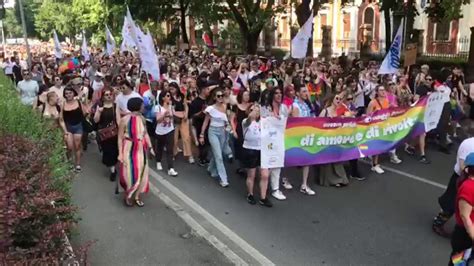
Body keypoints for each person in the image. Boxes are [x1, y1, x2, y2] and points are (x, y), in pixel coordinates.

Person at [433, 137, 474, 237]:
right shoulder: (468, 144)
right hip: (462, 179)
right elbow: (463, 167)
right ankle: (438, 223)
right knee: (450, 204)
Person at [118, 97, 155, 207]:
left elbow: (145, 134)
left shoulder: (142, 119)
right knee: (129, 172)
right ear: (138, 106)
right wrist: (120, 153)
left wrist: (151, 147)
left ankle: (137, 195)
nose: (144, 106)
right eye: (142, 105)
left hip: (140, 148)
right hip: (128, 148)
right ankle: (129, 195)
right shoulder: (125, 120)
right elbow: (120, 138)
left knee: (142, 171)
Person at [316, 93, 350, 187]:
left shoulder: (338, 112)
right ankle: (329, 180)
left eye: (340, 99)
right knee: (327, 161)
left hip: (336, 139)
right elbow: (317, 124)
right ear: (332, 100)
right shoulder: (325, 111)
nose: (338, 100)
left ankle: (340, 178)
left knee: (337, 160)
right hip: (326, 139)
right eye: (337, 98)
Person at [366, 85, 402, 174]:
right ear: (377, 92)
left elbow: (388, 113)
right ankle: (374, 165)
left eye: (384, 90)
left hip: (385, 126)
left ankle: (391, 155)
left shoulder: (386, 101)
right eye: (381, 90)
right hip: (375, 127)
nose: (383, 92)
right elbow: (368, 116)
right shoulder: (373, 102)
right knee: (377, 145)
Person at [242, 104, 272, 207]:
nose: (255, 112)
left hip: (262, 150)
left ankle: (263, 198)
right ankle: (250, 194)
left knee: (264, 175)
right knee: (252, 175)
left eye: (257, 111)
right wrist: (252, 113)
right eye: (253, 110)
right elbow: (249, 119)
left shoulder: (263, 122)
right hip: (250, 150)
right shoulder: (246, 122)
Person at [200, 88, 230, 187]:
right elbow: (205, 122)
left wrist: (228, 130)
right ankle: (223, 179)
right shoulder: (210, 108)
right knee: (219, 156)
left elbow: (227, 121)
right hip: (213, 131)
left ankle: (210, 168)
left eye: (222, 96)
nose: (221, 97)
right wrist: (201, 135)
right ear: (214, 98)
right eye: (218, 96)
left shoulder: (225, 106)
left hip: (222, 132)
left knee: (218, 153)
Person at [289, 85, 317, 194]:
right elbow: (295, 124)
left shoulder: (306, 104)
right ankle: (285, 178)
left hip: (307, 136)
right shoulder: (295, 106)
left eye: (307, 91)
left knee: (307, 160)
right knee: (293, 159)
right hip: (298, 137)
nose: (306, 93)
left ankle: (304, 184)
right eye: (304, 91)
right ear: (298, 93)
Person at [448, 152, 474, 266]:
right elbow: (465, 216)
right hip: (464, 236)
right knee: (458, 263)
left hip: (468, 235)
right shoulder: (468, 188)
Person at [94, 88, 119, 181]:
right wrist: (99, 111)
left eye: (110, 94)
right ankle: (113, 171)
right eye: (106, 95)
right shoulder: (100, 106)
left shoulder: (115, 106)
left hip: (115, 133)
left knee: (116, 152)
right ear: (103, 97)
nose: (109, 96)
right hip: (104, 134)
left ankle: (115, 166)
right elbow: (96, 120)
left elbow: (119, 119)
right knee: (108, 152)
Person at [59, 86, 87, 172]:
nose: (68, 95)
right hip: (68, 127)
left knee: (77, 146)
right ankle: (69, 162)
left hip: (78, 126)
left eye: (70, 93)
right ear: (64, 95)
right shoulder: (63, 104)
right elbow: (61, 119)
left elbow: (85, 113)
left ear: (73, 93)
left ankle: (77, 164)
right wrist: (65, 131)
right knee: (69, 147)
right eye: (66, 93)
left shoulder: (78, 102)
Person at [155, 90, 179, 177]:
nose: (169, 97)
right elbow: (158, 120)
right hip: (160, 131)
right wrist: (164, 114)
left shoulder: (171, 106)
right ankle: (158, 161)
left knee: (170, 149)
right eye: (168, 96)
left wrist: (171, 112)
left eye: (170, 96)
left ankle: (170, 168)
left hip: (170, 130)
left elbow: (173, 117)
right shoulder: (158, 107)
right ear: (163, 97)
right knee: (160, 148)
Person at [170, 82, 194, 164]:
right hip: (175, 119)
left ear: (176, 88)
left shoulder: (182, 96)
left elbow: (186, 105)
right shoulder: (169, 97)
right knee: (174, 138)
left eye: (172, 89)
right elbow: (170, 109)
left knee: (186, 137)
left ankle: (189, 155)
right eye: (170, 89)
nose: (171, 90)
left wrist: (186, 114)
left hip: (184, 118)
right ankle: (173, 153)